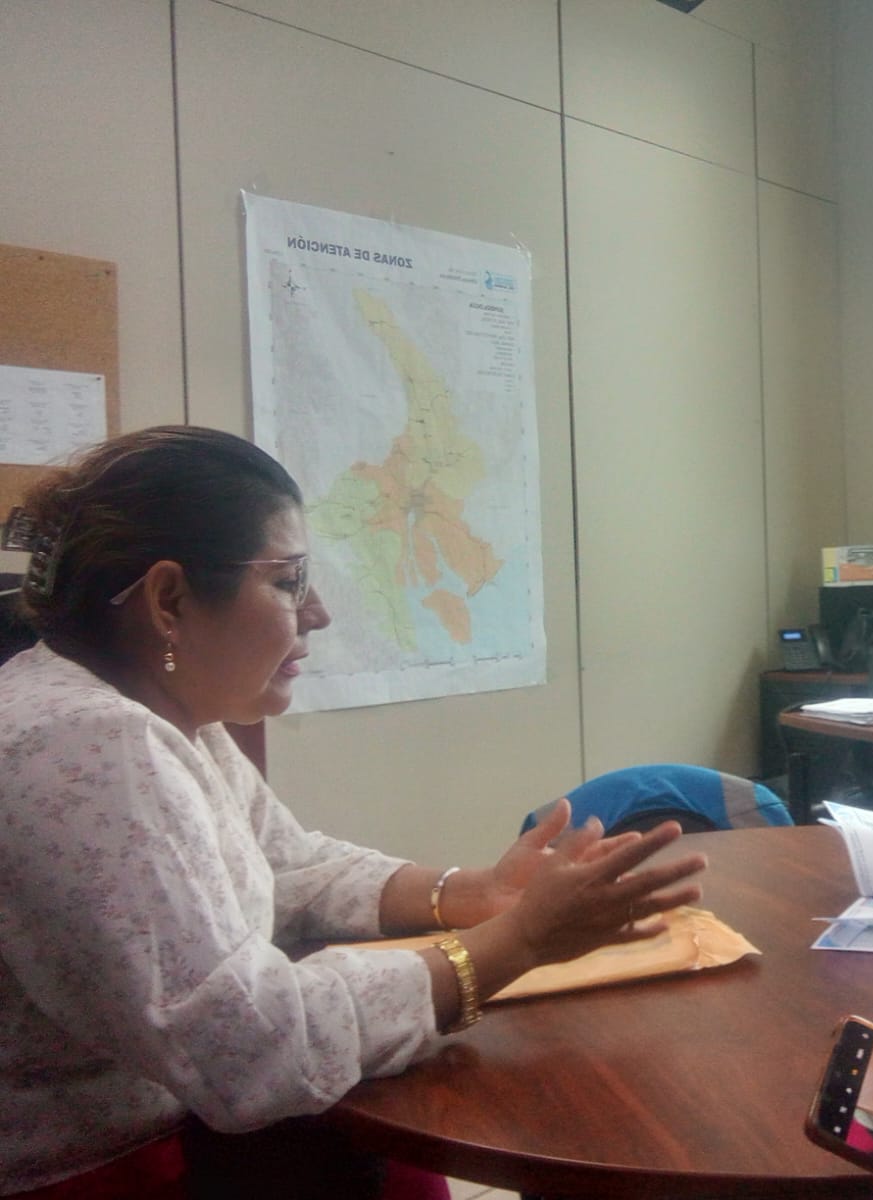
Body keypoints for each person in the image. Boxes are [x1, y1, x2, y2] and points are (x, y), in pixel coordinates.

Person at [0, 427, 708, 1198]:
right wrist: (518, 940)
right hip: (106, 1173)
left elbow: (290, 867)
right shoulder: (88, 744)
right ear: (169, 600)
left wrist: (469, 894)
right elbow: (247, 1050)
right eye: (288, 581)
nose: (319, 613)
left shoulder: (158, 715)